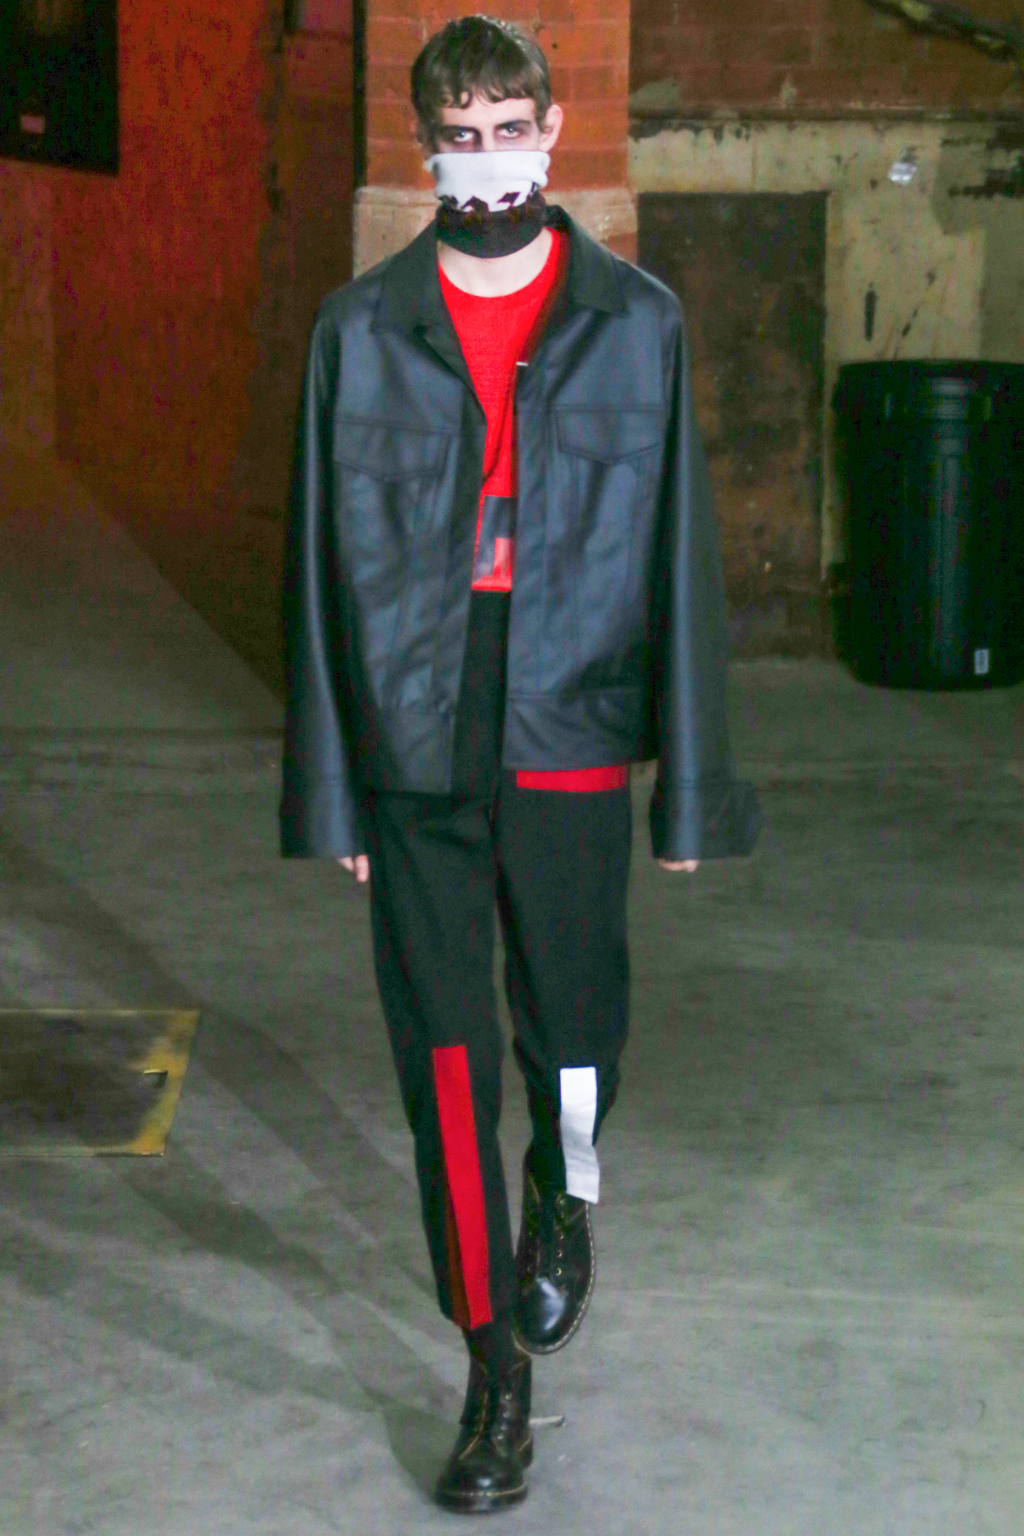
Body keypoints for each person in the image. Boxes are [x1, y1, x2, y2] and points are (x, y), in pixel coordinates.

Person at [281, 14, 762, 1514]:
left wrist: (689, 785)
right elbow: (318, 571)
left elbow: (678, 556)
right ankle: (491, 1364)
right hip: (417, 724)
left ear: (552, 132)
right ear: (426, 146)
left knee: (573, 1026)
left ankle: (566, 1189)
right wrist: (333, 786)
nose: (485, 159)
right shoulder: (361, 331)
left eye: (508, 129)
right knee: (441, 1053)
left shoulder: (635, 323)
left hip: (572, 714)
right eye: (459, 135)